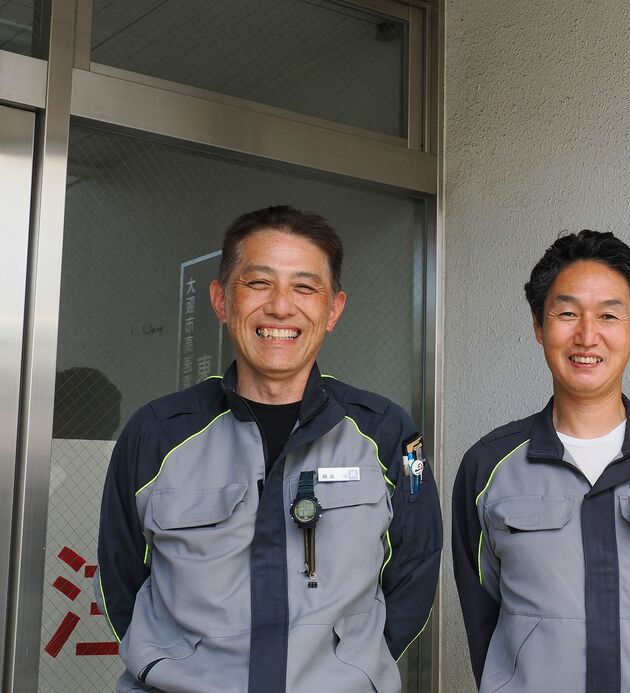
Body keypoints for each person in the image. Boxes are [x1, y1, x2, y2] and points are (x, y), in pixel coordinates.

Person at [95, 206, 441, 693]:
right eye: (258, 283)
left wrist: (354, 668)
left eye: (304, 287)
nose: (281, 307)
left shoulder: (390, 433)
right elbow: (120, 574)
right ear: (221, 300)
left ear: (333, 310)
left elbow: (417, 561)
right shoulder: (155, 432)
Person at [452, 230, 630, 693]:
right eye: (566, 313)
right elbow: (481, 608)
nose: (586, 335)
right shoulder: (488, 465)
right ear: (539, 327)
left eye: (608, 315)